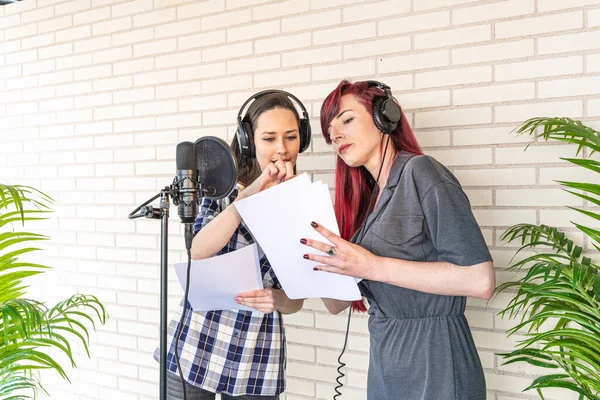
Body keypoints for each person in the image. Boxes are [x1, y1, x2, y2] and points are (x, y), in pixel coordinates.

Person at [300, 80, 495, 400]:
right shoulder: (366, 203)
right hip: (386, 365)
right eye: (330, 130)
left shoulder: (422, 172)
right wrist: (305, 256)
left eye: (346, 120)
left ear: (383, 117)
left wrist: (371, 265)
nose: (335, 135)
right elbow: (336, 305)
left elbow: (481, 280)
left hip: (437, 362)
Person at [158, 90, 311, 399]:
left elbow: (296, 301)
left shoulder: (306, 206)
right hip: (195, 345)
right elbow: (197, 251)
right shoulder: (222, 186)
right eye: (269, 138)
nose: (282, 149)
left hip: (256, 359)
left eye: (291, 137)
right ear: (247, 141)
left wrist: (276, 299)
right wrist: (248, 196)